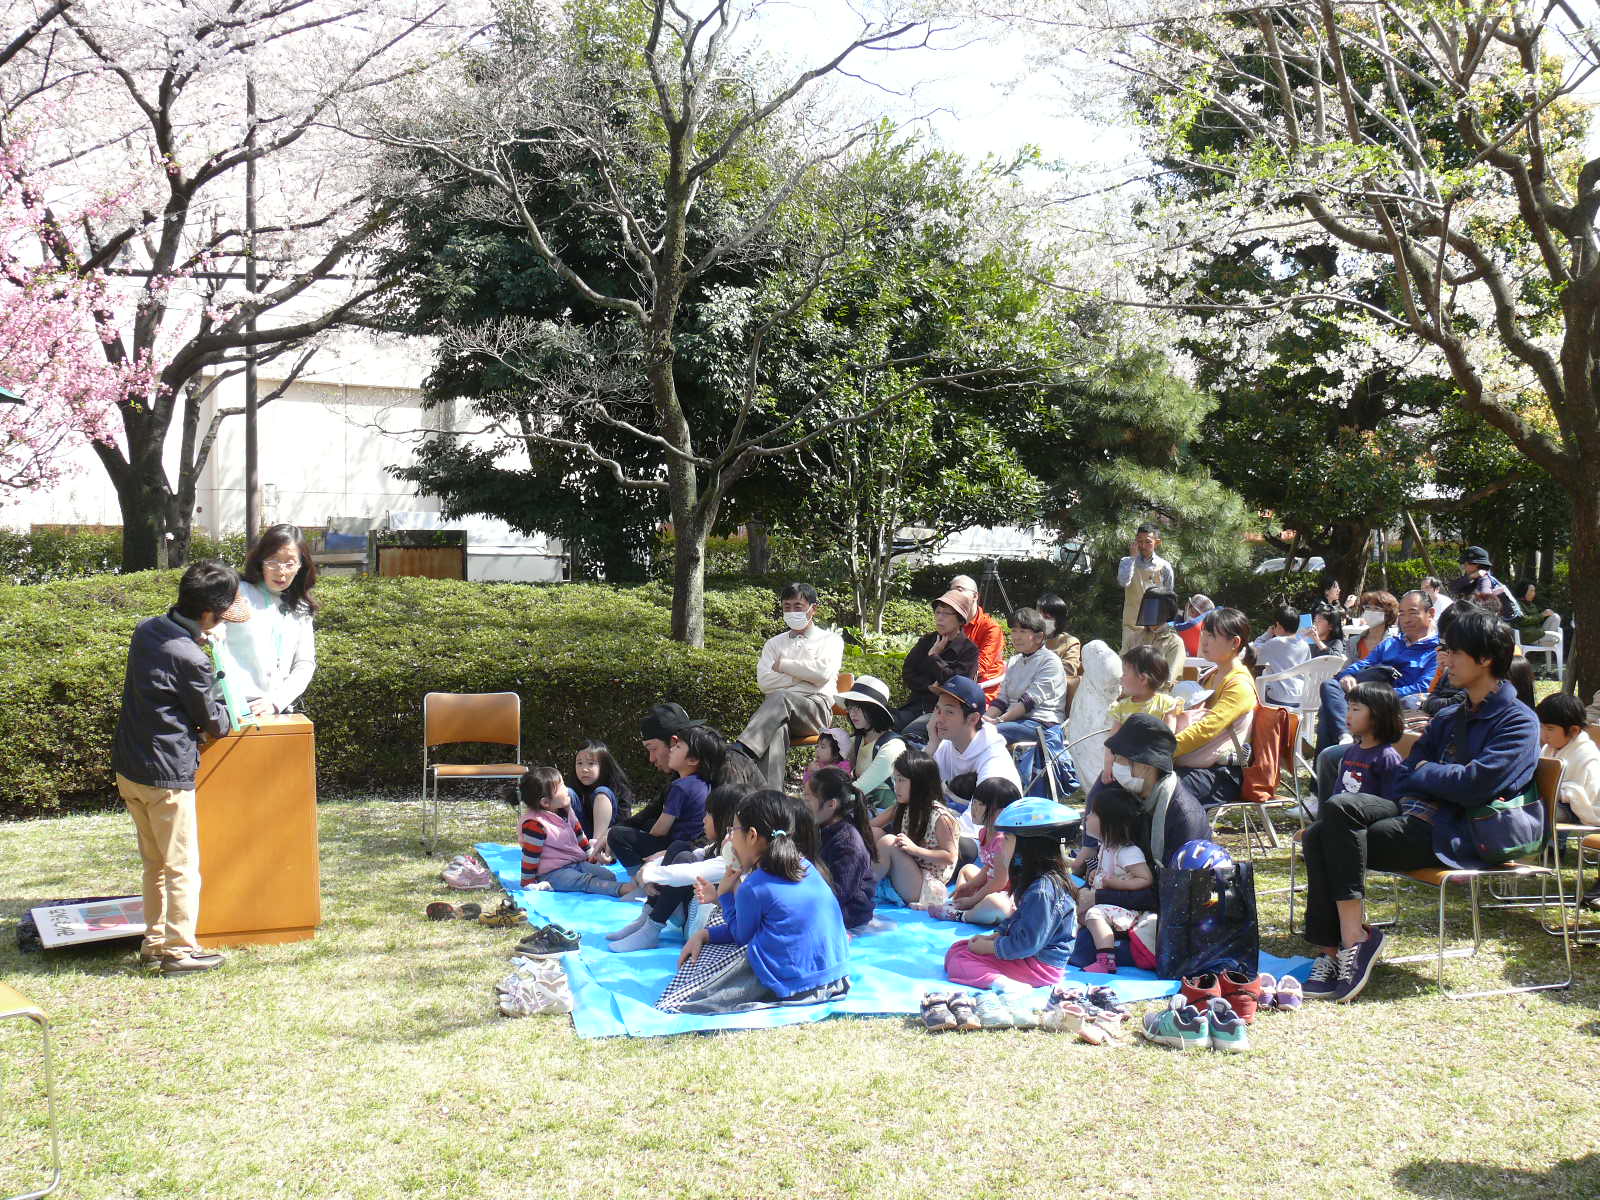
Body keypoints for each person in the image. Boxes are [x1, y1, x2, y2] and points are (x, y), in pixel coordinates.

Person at [1299, 608, 1540, 1003]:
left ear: (1484, 659)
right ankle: (1342, 944)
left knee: (1327, 834)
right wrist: (1436, 775)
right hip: (1417, 814)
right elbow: (1410, 770)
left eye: (1453, 651)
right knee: (1327, 823)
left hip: (1458, 833)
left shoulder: (1517, 721)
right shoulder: (1451, 714)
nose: (1444, 659)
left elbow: (1474, 787)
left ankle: (1350, 941)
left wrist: (1432, 774)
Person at [113, 561, 242, 974]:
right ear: (209, 615)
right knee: (182, 865)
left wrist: (203, 641)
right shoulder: (191, 657)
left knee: (155, 862)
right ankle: (179, 952)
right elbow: (216, 722)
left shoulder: (147, 629)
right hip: (166, 775)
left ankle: (154, 942)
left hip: (130, 768)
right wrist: (214, 653)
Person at [663, 791, 850, 1014]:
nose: (730, 838)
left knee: (680, 999)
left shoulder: (753, 886)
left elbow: (741, 936)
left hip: (794, 983)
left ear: (752, 835)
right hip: (835, 976)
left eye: (733, 830)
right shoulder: (805, 865)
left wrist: (724, 895)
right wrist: (705, 934)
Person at [1066, 716, 1214, 970]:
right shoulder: (1137, 796)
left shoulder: (1182, 817)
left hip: (1170, 915)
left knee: (1082, 947)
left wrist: (1101, 896)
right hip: (1132, 902)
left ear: (1145, 766)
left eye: (1121, 760)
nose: (1114, 766)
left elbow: (1173, 897)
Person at [609, 783, 750, 952]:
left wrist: (649, 874)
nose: (703, 819)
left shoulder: (735, 861)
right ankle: (646, 917)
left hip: (702, 925)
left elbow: (691, 872)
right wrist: (650, 867)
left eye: (709, 814)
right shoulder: (719, 848)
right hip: (690, 914)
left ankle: (651, 929)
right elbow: (696, 853)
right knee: (678, 847)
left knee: (684, 858)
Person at [734, 582, 843, 789]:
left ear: (813, 608)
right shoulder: (774, 644)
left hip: (815, 709)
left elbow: (822, 673)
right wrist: (802, 677)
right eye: (786, 607)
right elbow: (765, 682)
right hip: (778, 713)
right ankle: (770, 800)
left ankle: (742, 751)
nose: (791, 611)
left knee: (780, 696)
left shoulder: (831, 640)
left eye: (798, 606)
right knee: (776, 729)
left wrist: (783, 665)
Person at [943, 819, 1077, 989]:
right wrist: (996, 936)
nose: (1000, 845)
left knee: (959, 961)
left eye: (1006, 839)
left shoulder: (1042, 891)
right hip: (1030, 955)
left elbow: (1029, 943)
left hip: (1041, 966)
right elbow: (1019, 917)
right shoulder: (1036, 881)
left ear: (1028, 847)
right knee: (958, 949)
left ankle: (1005, 985)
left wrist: (993, 948)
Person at [1314, 590, 1438, 756]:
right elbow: (1363, 664)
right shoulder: (1391, 643)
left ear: (1430, 613)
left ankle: (1341, 749)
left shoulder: (1436, 650)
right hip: (1364, 695)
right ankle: (1345, 738)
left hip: (1393, 705)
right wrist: (1347, 676)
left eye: (1412, 613)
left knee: (1327, 715)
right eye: (1402, 613)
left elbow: (1423, 687)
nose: (1406, 619)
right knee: (1330, 685)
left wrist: (1378, 695)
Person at [214, 523, 317, 716]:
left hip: (277, 710)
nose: (281, 571)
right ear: (261, 560)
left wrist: (278, 701)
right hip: (229, 710)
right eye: (274, 561)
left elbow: (304, 663)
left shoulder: (301, 607)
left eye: (289, 563)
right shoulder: (236, 593)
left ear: (301, 565)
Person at [610, 725, 724, 881]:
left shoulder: (680, 787)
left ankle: (640, 880)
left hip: (673, 847)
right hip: (692, 845)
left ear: (693, 760)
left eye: (678, 747)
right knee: (648, 823)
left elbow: (660, 830)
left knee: (616, 835)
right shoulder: (705, 784)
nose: (671, 750)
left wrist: (640, 842)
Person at [1173, 607, 1256, 809]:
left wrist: (1164, 748)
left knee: (1153, 789)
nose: (1204, 641)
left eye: (1212, 636)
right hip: (1198, 765)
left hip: (1221, 776)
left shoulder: (1239, 685)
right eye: (1205, 634)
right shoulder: (1210, 675)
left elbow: (1207, 728)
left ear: (1235, 643)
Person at [516, 766, 638, 897]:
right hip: (553, 872)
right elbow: (530, 856)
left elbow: (579, 835)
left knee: (608, 876)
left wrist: (591, 857)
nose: (566, 789)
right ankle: (622, 889)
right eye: (561, 787)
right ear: (545, 802)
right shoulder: (535, 824)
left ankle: (614, 886)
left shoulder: (563, 809)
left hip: (575, 863)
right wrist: (527, 883)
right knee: (585, 881)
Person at [1074, 786, 1155, 974]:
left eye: (1093, 813)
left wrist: (1116, 884)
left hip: (1127, 911)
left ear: (1109, 822)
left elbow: (1145, 878)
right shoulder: (1105, 847)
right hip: (1109, 905)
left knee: (1093, 914)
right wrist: (1096, 875)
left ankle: (1105, 960)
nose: (1087, 817)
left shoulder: (1127, 852)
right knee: (1077, 913)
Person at [919, 776, 1020, 926]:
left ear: (1000, 812)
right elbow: (989, 867)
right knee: (967, 870)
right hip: (992, 884)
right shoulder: (984, 833)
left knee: (994, 905)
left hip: (1010, 893)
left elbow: (1000, 881)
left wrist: (974, 898)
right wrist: (970, 886)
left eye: (980, 804)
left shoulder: (1003, 840)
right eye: (974, 802)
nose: (974, 808)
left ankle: (962, 914)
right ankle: (960, 903)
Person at [871, 748, 960, 904]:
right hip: (907, 871)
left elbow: (950, 857)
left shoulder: (940, 817)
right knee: (874, 833)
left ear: (919, 783)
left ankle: (863, 888)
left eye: (902, 780)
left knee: (888, 842)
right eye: (895, 780)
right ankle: (861, 879)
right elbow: (869, 828)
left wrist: (915, 850)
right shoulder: (902, 806)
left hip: (926, 886)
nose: (896, 787)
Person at [984, 608, 1068, 766]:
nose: (1016, 636)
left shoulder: (1050, 661)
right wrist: (985, 719)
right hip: (1015, 721)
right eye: (1014, 630)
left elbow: (1028, 703)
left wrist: (998, 721)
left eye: (1022, 631)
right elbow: (1002, 700)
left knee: (987, 733)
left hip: (1041, 724)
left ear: (1039, 636)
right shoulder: (1014, 661)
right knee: (975, 729)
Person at [894, 590, 980, 740]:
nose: (940, 618)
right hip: (915, 705)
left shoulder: (969, 650)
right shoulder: (927, 640)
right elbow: (908, 672)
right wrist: (928, 686)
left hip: (943, 712)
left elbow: (958, 685)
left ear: (960, 620)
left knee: (910, 734)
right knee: (880, 724)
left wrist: (934, 657)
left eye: (946, 614)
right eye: (938, 612)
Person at [927, 676, 1023, 805]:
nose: (939, 718)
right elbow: (908, 789)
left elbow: (984, 822)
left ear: (973, 719)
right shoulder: (945, 745)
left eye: (949, 712)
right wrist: (931, 745)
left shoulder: (994, 761)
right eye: (938, 710)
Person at [804, 768, 877, 933]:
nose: (804, 804)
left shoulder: (848, 843)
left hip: (848, 912)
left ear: (831, 804)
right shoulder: (820, 828)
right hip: (822, 899)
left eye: (808, 799)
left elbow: (838, 894)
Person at [1313, 683, 1406, 813]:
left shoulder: (1387, 757)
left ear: (1377, 715)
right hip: (1340, 819)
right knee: (1303, 834)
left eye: (1355, 709)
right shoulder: (1351, 751)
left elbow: (1390, 806)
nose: (1348, 715)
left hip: (1363, 826)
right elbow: (1338, 791)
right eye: (1348, 708)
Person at [836, 676, 905, 811]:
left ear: (875, 710)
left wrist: (823, 798)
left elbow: (860, 788)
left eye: (859, 707)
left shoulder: (892, 746)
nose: (852, 713)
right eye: (850, 707)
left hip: (886, 816)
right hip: (862, 808)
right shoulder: (857, 740)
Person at [1535, 693, 1600, 827]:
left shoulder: (1586, 753)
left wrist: (1562, 792)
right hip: (1551, 801)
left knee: (1538, 812)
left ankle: (1557, 847)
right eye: (1541, 727)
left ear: (1573, 730)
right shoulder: (1549, 748)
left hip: (1576, 810)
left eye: (1550, 729)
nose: (1544, 734)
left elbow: (1589, 796)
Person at [1067, 640, 1123, 787]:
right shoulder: (1088, 698)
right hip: (1093, 742)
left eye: (1117, 686)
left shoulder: (1104, 666)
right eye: (1112, 687)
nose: (1117, 690)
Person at [948, 573, 1007, 701]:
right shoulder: (950, 623)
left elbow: (978, 668)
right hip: (952, 685)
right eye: (951, 590)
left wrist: (946, 674)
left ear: (975, 596)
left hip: (982, 690)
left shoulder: (991, 628)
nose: (953, 594)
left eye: (959, 590)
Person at [1118, 522, 1175, 653]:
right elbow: (1123, 582)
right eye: (1139, 541)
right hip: (1130, 626)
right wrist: (1132, 558)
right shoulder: (1126, 562)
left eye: (1148, 542)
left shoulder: (1164, 567)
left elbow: (1169, 598)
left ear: (1157, 542)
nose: (1143, 546)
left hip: (1155, 627)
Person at [571, 740, 634, 852]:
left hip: (608, 840)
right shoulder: (576, 788)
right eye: (579, 763)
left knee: (602, 792)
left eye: (591, 763)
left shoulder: (618, 788)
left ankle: (596, 849)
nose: (584, 769)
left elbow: (624, 823)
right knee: (566, 793)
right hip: (581, 838)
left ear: (604, 765)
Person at [1108, 645, 1182, 734]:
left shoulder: (1166, 704)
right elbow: (1112, 740)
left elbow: (1168, 738)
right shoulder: (1121, 707)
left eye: (1124, 674)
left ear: (1143, 679)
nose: (1121, 678)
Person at [1251, 603, 1312, 707]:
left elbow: (1255, 651)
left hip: (1278, 697)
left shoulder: (1274, 643)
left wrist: (1267, 634)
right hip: (1300, 697)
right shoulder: (1305, 645)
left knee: (1253, 694)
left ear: (1278, 625)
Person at [1131, 587, 1186, 685]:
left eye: (1153, 608)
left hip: (1159, 697)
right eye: (1147, 607)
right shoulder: (1135, 637)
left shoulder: (1174, 643)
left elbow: (1168, 679)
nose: (1148, 612)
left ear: (1166, 612)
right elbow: (1121, 668)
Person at [1452, 546, 1522, 620]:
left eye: (1467, 563)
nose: (1464, 565)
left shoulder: (1485, 580)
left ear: (1477, 564)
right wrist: (1470, 577)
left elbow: (1485, 604)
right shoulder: (1470, 578)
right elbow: (1453, 588)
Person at [1035, 592, 1083, 682]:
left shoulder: (1070, 642)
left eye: (1046, 617)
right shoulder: (1031, 639)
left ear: (1058, 620)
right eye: (1038, 616)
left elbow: (1068, 671)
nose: (1041, 620)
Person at [1346, 590, 1400, 664]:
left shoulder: (1395, 643)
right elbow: (1346, 670)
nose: (1370, 612)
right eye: (1367, 608)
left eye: (1376, 609)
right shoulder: (1353, 642)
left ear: (1388, 614)